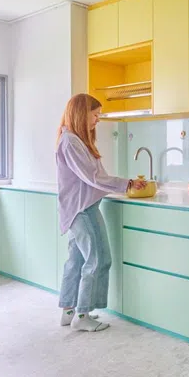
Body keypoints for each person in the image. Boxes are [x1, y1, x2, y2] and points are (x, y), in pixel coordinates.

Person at [56, 94, 145, 331]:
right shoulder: (71, 142)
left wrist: (123, 183)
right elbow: (93, 176)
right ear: (81, 113)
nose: (98, 119)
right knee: (97, 259)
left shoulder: (73, 140)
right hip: (82, 209)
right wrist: (126, 183)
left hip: (78, 208)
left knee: (76, 260)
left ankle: (69, 311)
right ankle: (82, 315)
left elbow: (92, 177)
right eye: (95, 114)